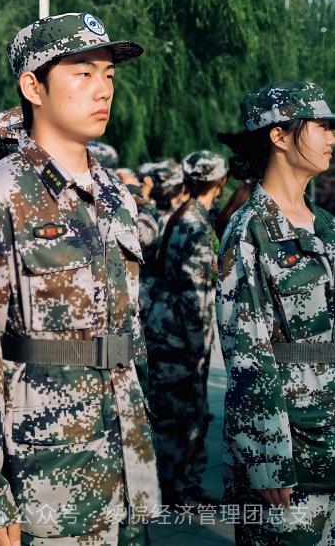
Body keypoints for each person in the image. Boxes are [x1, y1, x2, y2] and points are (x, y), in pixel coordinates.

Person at [0, 12, 160, 545]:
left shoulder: (116, 194)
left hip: (126, 451)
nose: (103, 89)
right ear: (32, 88)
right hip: (47, 465)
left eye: (108, 75)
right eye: (82, 73)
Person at [216, 81, 335, 545]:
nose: (331, 137)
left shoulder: (325, 226)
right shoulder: (250, 230)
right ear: (279, 135)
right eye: (321, 126)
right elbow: (247, 351)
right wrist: (266, 457)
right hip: (289, 452)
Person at [144, 150, 227, 507]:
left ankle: (177, 486)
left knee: (177, 414)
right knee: (182, 417)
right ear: (220, 182)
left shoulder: (186, 214)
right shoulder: (194, 223)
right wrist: (198, 347)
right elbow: (194, 294)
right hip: (180, 337)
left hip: (168, 331)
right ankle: (177, 490)